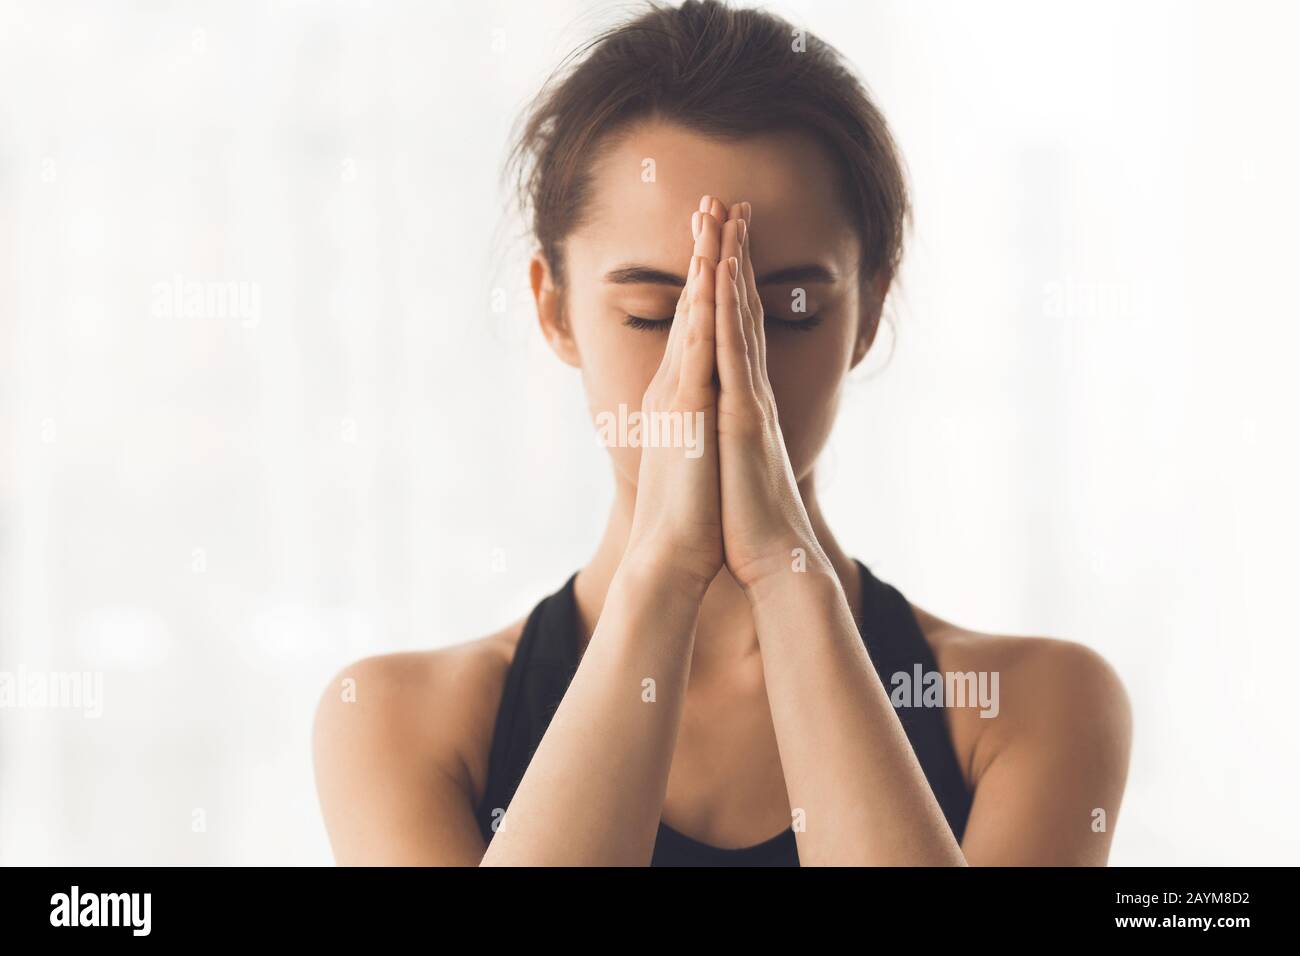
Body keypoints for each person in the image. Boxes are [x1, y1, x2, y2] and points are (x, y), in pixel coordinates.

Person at [312, 0, 1132, 866]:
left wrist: (787, 575)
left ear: (869, 313)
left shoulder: (1032, 708)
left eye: (787, 311)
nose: (717, 364)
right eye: (653, 313)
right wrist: (662, 572)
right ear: (553, 308)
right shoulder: (403, 723)